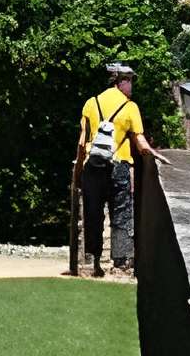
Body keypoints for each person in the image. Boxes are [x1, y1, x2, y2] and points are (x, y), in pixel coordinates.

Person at [74, 59, 158, 278]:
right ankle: (120, 263)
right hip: (118, 166)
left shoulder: (91, 103)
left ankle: (93, 261)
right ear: (119, 82)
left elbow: (82, 142)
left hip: (92, 166)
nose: (131, 86)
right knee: (121, 213)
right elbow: (139, 140)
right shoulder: (130, 107)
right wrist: (153, 154)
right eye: (129, 81)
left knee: (93, 214)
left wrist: (77, 173)